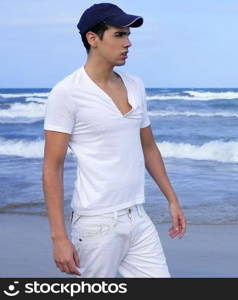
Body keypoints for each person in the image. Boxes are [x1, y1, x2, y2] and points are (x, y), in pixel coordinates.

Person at [42, 3, 186, 278]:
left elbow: (148, 147)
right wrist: (59, 237)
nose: (128, 43)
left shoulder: (135, 85)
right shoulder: (67, 92)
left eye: (128, 35)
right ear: (92, 39)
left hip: (137, 216)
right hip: (96, 225)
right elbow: (52, 166)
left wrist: (172, 199)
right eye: (119, 35)